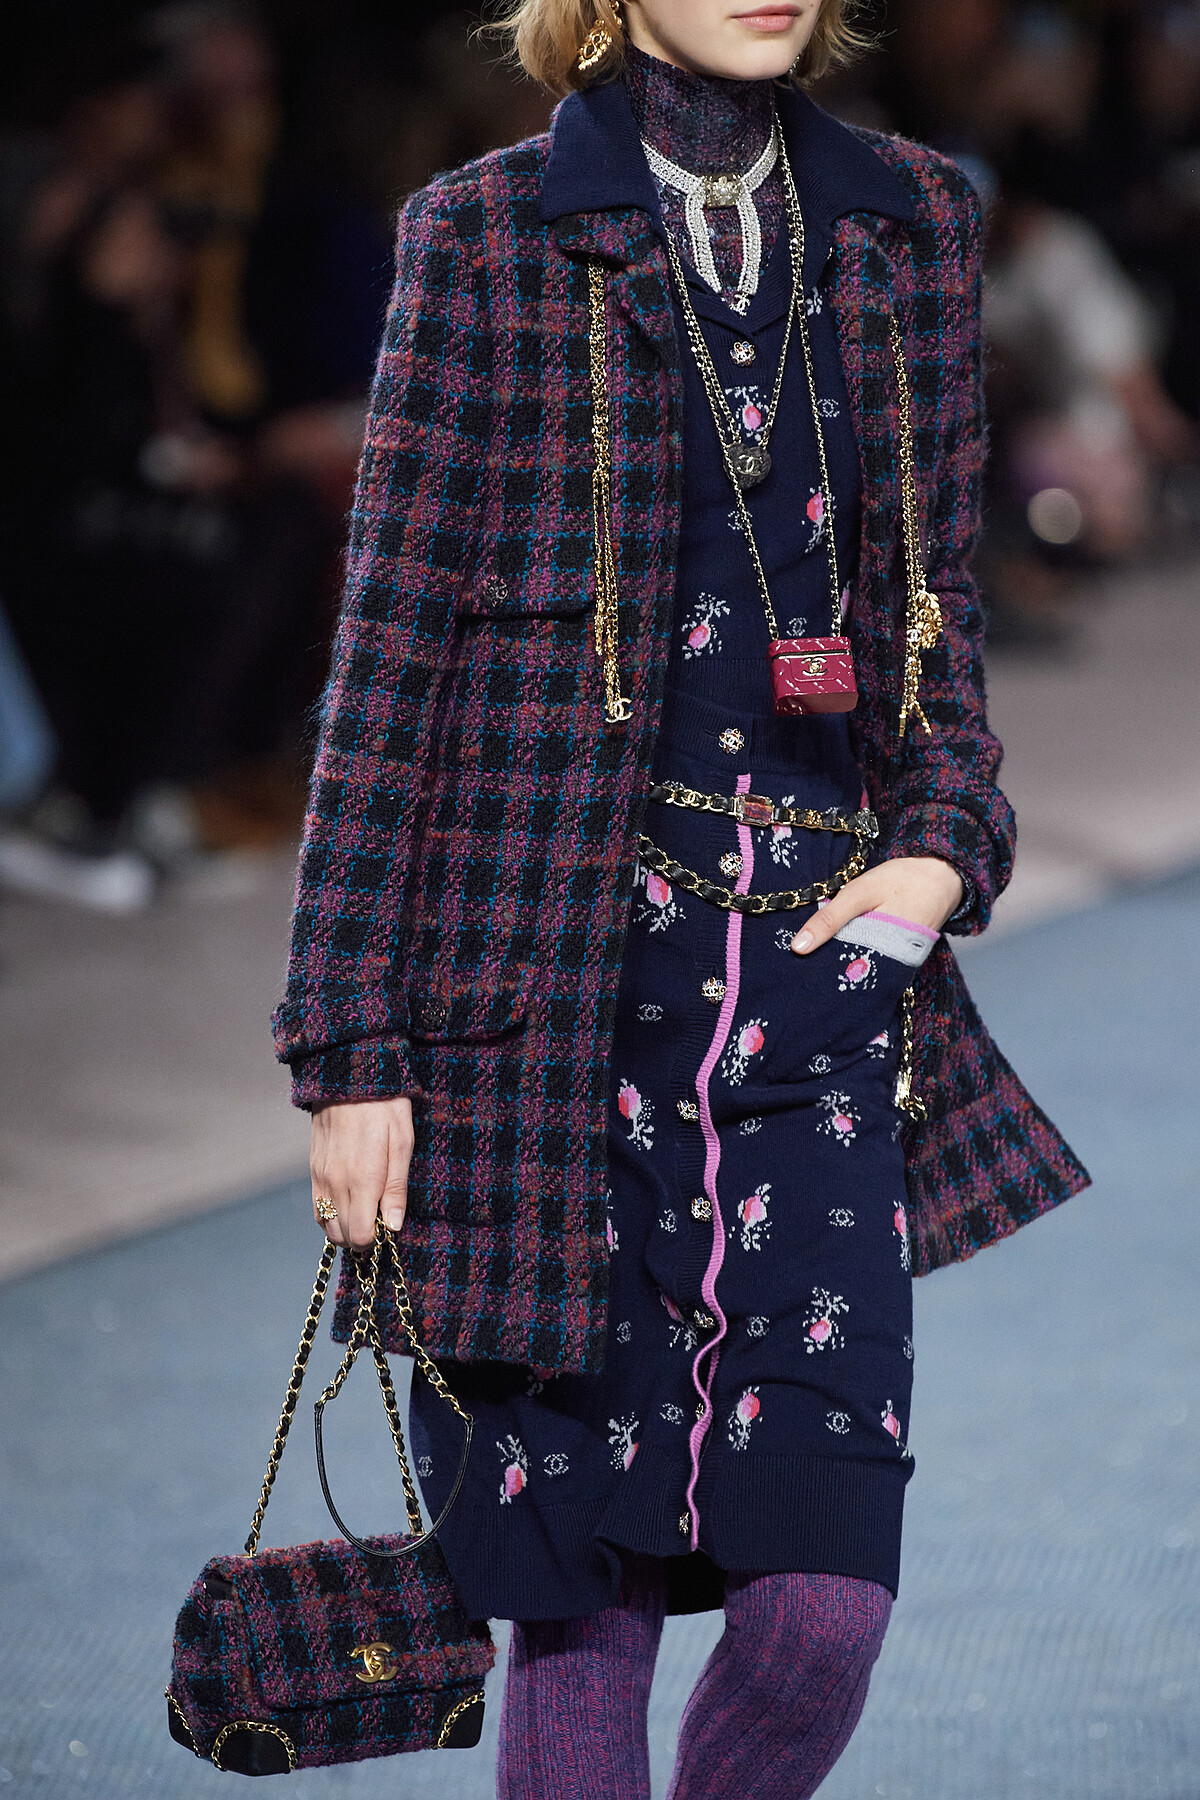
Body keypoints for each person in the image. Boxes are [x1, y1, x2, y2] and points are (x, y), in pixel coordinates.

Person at [273, 2, 1088, 1794]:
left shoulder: (910, 222)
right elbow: (389, 654)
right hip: (540, 1020)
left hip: (817, 998)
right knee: (588, 1616)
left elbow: (937, 611)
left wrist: (947, 840)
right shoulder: (484, 235)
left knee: (820, 1619)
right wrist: (347, 1047)